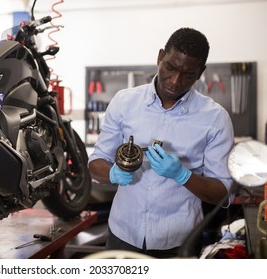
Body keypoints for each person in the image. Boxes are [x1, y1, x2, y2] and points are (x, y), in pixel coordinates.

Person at [88, 27, 234, 258]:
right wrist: (113, 173)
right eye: (171, 67)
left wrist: (183, 176)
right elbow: (96, 162)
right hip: (123, 235)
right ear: (160, 57)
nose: (175, 81)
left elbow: (223, 193)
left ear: (200, 72)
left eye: (187, 74)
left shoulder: (215, 119)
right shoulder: (124, 102)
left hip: (179, 242)